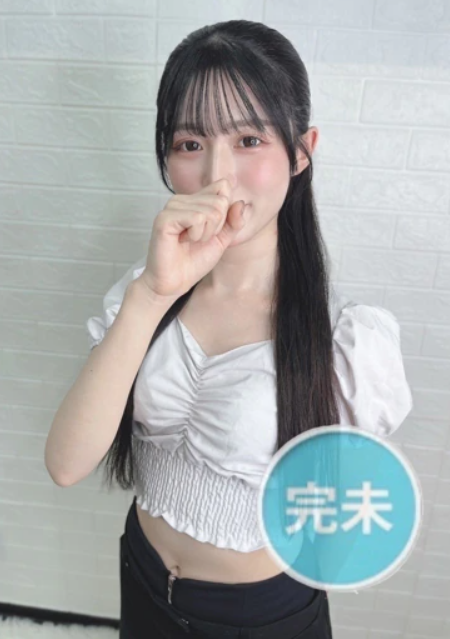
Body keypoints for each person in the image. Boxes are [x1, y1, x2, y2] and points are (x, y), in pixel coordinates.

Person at [45, 19, 413, 639]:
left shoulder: (345, 342)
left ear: (301, 151)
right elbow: (65, 463)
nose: (219, 175)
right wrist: (151, 294)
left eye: (249, 139)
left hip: (264, 616)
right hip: (143, 575)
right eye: (191, 143)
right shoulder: (146, 292)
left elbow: (341, 531)